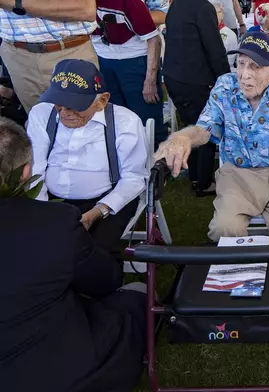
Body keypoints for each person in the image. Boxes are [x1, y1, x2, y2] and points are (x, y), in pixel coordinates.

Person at [0, 117, 147, 392]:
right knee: (136, 297)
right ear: (25, 172)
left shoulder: (124, 123)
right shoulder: (55, 224)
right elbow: (106, 281)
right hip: (57, 372)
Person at [154, 32, 269, 246]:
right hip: (237, 175)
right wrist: (182, 137)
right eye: (241, 64)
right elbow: (204, 129)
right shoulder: (225, 86)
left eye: (255, 66)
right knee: (224, 230)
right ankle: (235, 276)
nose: (244, 74)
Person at [27, 59, 148, 259]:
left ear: (101, 101)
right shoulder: (41, 114)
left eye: (75, 105)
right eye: (59, 103)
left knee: (93, 255)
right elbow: (35, 169)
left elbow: (134, 177)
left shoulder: (125, 121)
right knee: (35, 248)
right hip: (50, 200)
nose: (65, 112)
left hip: (104, 200)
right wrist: (42, 211)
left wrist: (97, 212)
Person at [164, 0, 231, 196]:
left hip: (175, 77)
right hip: (195, 79)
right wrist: (226, 80)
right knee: (205, 129)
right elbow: (215, 48)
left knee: (190, 125)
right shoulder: (203, 7)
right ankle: (203, 182)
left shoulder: (177, 4)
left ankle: (194, 175)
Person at [0, 0, 99, 113]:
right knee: (39, 123)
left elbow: (84, 9)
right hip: (16, 55)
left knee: (83, 121)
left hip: (69, 52)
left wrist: (12, 2)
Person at [92, 0, 166, 148]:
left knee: (146, 120)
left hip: (135, 61)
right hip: (103, 61)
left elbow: (154, 39)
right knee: (116, 119)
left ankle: (158, 164)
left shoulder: (130, 3)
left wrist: (150, 81)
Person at [214, 2, 239, 69]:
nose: (214, 15)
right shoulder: (203, 31)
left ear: (222, 14)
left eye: (218, 12)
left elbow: (229, 61)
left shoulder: (229, 34)